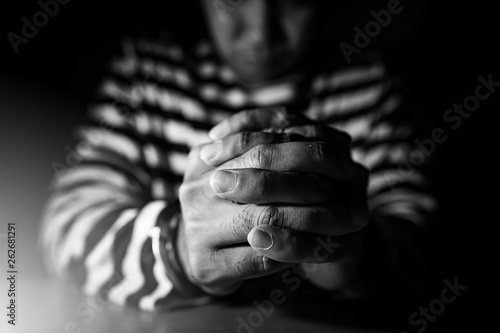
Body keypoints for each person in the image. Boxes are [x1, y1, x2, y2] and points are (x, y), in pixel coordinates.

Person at [39, 0, 436, 312]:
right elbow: (64, 229)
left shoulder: (367, 82)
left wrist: (358, 259)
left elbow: (425, 250)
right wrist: (177, 248)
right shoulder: (148, 70)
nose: (261, 33)